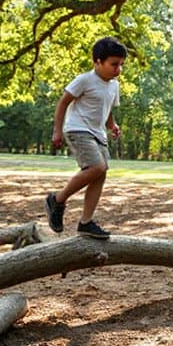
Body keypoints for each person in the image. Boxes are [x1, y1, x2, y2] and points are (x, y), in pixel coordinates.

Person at [45, 36, 126, 239]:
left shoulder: (114, 85)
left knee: (102, 172)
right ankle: (57, 199)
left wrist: (112, 125)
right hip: (77, 129)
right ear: (97, 61)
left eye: (121, 65)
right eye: (114, 64)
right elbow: (63, 103)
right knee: (96, 167)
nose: (118, 69)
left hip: (98, 132)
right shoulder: (84, 80)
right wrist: (57, 131)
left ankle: (86, 222)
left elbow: (106, 110)